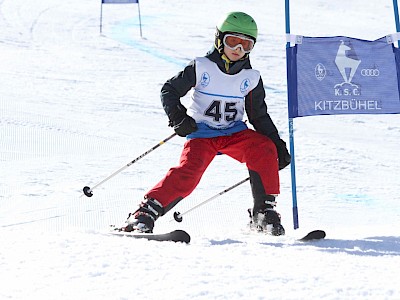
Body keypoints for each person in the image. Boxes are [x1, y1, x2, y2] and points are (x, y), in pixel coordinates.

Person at [122, 11, 291, 235]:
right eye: (233, 42)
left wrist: (276, 144)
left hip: (234, 133)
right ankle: (144, 214)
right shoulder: (201, 67)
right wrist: (178, 118)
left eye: (245, 45)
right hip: (202, 133)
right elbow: (169, 90)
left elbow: (258, 115)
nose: (237, 50)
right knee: (189, 172)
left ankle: (263, 213)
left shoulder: (250, 77)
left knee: (263, 148)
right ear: (219, 39)